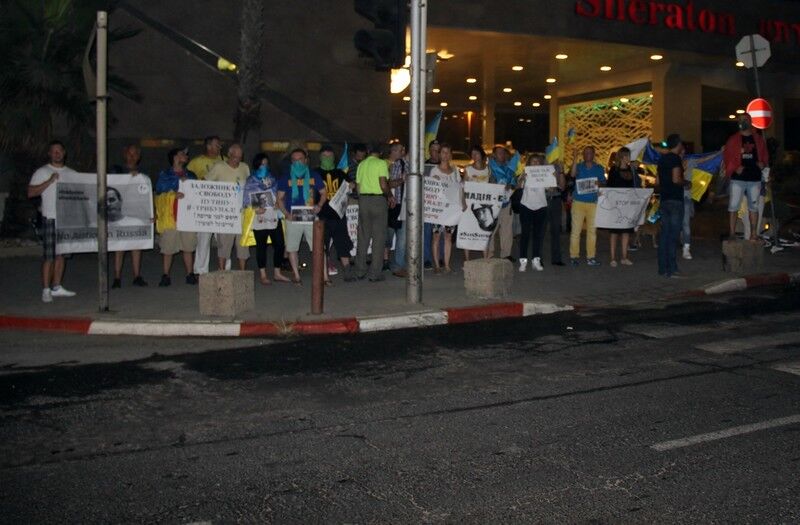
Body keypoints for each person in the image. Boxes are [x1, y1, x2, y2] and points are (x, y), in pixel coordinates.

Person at [28, 140, 78, 303]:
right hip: (50, 218)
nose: (57, 154)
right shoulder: (42, 172)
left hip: (65, 220)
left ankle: (57, 286)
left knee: (61, 255)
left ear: (64, 153)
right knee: (49, 256)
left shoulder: (71, 173)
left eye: (59, 151)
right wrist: (49, 181)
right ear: (49, 154)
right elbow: (31, 193)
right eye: (53, 151)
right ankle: (46, 289)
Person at [276, 148, 327, 284]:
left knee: (318, 247)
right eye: (294, 160)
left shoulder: (313, 175)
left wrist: (319, 206)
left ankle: (324, 276)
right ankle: (297, 276)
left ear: (305, 160)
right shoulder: (286, 177)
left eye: (300, 159)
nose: (297, 162)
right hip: (293, 215)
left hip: (309, 214)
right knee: (292, 247)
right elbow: (279, 198)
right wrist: (286, 214)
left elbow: (323, 192)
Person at [243, 153, 291, 285]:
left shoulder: (272, 178)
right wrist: (255, 207)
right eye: (262, 163)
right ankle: (263, 274)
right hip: (259, 217)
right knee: (261, 246)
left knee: (280, 244)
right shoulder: (251, 180)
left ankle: (277, 272)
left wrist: (278, 202)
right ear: (257, 165)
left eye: (266, 163)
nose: (264, 166)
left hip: (274, 215)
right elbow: (246, 198)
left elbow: (279, 193)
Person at [154, 147, 198, 286]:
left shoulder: (190, 175)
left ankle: (190, 274)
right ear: (174, 157)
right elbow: (159, 193)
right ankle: (165, 275)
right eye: (181, 154)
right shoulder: (165, 175)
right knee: (168, 248)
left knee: (188, 247)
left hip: (187, 217)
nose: (185, 156)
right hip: (170, 218)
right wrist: (173, 194)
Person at [724, 113, 769, 241]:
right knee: (733, 206)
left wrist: (763, 163)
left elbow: (765, 156)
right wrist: (734, 167)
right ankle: (732, 233)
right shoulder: (733, 139)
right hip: (738, 179)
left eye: (744, 120)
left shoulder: (758, 139)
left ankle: (754, 234)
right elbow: (727, 157)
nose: (741, 122)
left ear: (750, 121)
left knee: (753, 207)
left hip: (754, 178)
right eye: (740, 120)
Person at [206, 143, 250, 271]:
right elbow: (207, 184)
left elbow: (249, 185)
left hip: (241, 213)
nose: (237, 160)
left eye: (240, 157)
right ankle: (222, 270)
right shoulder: (219, 167)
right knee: (224, 245)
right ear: (229, 155)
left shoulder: (245, 167)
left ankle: (242, 272)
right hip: (225, 214)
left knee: (243, 244)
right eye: (235, 156)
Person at [110, 144, 149, 288]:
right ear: (124, 155)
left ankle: (137, 276)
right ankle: (117, 277)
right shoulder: (116, 170)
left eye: (135, 154)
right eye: (130, 154)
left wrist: (150, 214)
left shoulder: (144, 173)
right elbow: (111, 188)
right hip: (120, 215)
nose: (132, 157)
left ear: (139, 157)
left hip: (136, 214)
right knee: (119, 246)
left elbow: (147, 195)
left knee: (136, 245)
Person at [355, 142, 395, 281]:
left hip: (364, 201)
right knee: (379, 238)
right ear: (381, 153)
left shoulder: (361, 164)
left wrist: (363, 200)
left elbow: (358, 187)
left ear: (368, 152)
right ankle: (375, 273)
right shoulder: (381, 164)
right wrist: (389, 196)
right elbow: (383, 184)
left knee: (363, 237)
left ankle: (360, 270)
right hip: (378, 201)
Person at [317, 145, 355, 282]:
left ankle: (347, 270)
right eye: (325, 156)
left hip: (338, 215)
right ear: (320, 157)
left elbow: (353, 184)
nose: (327, 159)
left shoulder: (340, 173)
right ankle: (324, 271)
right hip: (321, 215)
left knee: (342, 242)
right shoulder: (315, 173)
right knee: (323, 244)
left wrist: (353, 185)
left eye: (330, 156)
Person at [188, 136, 224, 275]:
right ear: (208, 146)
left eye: (220, 145)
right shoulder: (196, 162)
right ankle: (200, 271)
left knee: (223, 240)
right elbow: (189, 181)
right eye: (217, 145)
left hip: (221, 207)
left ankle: (225, 269)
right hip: (204, 206)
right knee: (203, 239)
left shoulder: (225, 160)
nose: (219, 147)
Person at [569, 145, 605, 266]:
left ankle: (591, 257)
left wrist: (598, 183)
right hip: (578, 202)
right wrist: (574, 158)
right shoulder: (578, 166)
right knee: (576, 231)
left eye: (590, 152)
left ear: (594, 154)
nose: (587, 154)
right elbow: (573, 175)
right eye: (585, 153)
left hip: (593, 203)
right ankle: (574, 256)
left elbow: (603, 183)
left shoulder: (599, 168)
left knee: (592, 232)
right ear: (583, 155)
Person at [657, 134, 688, 278]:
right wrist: (686, 183)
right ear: (678, 144)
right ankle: (672, 269)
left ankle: (662, 268)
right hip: (675, 200)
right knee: (673, 236)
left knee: (664, 235)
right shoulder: (675, 159)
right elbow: (676, 179)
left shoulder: (662, 159)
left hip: (664, 200)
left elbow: (657, 182)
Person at [429, 143, 462, 273]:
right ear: (439, 154)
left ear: (451, 155)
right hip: (438, 209)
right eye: (443, 152)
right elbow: (430, 188)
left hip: (451, 210)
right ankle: (437, 265)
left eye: (448, 152)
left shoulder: (455, 171)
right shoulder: (434, 170)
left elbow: (459, 188)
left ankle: (447, 265)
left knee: (448, 237)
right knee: (436, 236)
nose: (445, 155)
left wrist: (462, 204)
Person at [605, 146, 640, 267]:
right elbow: (609, 188)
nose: (630, 158)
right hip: (616, 206)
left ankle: (624, 257)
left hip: (628, 206)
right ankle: (613, 258)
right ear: (623, 157)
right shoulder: (614, 170)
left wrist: (635, 170)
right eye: (628, 156)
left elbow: (637, 185)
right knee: (614, 232)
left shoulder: (632, 170)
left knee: (626, 231)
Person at [516, 154, 549, 272]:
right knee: (525, 235)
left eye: (537, 161)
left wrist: (553, 177)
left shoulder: (544, 174)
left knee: (538, 235)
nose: (535, 163)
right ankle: (523, 261)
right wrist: (522, 178)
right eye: (533, 161)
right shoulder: (525, 173)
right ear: (529, 163)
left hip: (541, 206)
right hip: (526, 206)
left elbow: (551, 189)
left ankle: (536, 260)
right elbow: (518, 186)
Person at [487, 145, 519, 261]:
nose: (502, 155)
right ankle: (489, 253)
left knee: (507, 229)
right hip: (492, 203)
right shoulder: (489, 167)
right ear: (494, 155)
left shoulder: (509, 168)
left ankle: (506, 254)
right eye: (499, 153)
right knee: (491, 229)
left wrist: (511, 185)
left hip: (506, 203)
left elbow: (515, 183)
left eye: (503, 153)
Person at [462, 145, 490, 262]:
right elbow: (463, 187)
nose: (474, 156)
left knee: (484, 230)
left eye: (476, 153)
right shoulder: (468, 169)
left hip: (484, 204)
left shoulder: (488, 169)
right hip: (470, 204)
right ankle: (467, 259)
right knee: (468, 230)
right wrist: (463, 203)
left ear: (481, 154)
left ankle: (485, 258)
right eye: (472, 154)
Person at [386, 141, 409, 277]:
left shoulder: (409, 165)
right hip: (396, 205)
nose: (403, 151)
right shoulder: (396, 165)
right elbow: (390, 184)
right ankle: (389, 263)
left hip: (405, 205)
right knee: (390, 237)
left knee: (402, 238)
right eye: (401, 150)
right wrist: (402, 179)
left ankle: (399, 265)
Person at [546, 162, 566, 266]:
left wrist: (561, 171)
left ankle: (556, 258)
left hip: (555, 200)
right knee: (540, 231)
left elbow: (562, 187)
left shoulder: (559, 166)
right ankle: (537, 258)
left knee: (556, 231)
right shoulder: (542, 165)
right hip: (543, 200)